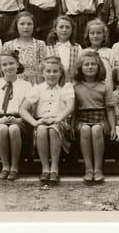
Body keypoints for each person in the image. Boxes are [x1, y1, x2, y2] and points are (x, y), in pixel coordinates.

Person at [19, 56, 75, 184]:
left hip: (60, 121)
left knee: (53, 129)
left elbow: (70, 107)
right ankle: (45, 168)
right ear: (42, 73)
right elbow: (22, 109)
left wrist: (57, 119)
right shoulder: (38, 88)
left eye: (55, 71)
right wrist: (34, 122)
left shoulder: (66, 87)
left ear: (61, 73)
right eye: (48, 71)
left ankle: (54, 168)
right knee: (42, 129)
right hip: (41, 121)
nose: (52, 74)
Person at [0, 50, 32, 181]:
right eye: (4, 64)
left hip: (19, 119)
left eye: (11, 63)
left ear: (17, 64)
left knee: (14, 128)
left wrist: (18, 119)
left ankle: (15, 167)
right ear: (0, 67)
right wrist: (0, 121)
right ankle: (5, 166)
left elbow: (29, 111)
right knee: (2, 128)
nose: (8, 67)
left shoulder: (26, 85)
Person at [73, 51, 116, 183]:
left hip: (100, 117)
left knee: (96, 129)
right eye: (86, 64)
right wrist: (71, 126)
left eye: (93, 64)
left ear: (99, 67)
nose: (90, 67)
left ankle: (98, 169)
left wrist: (113, 127)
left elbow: (109, 109)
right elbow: (73, 110)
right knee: (85, 129)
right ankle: (88, 169)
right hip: (82, 118)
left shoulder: (105, 85)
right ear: (80, 68)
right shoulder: (75, 86)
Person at [2, 11, 47, 85]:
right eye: (22, 24)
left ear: (34, 26)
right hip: (15, 82)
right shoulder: (8, 45)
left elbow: (44, 67)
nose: (26, 27)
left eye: (29, 24)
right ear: (16, 26)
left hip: (35, 83)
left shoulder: (40, 44)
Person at [46, 15, 82, 82]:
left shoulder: (77, 48)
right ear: (55, 29)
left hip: (72, 84)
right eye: (61, 27)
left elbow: (80, 68)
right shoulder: (48, 48)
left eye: (67, 27)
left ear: (72, 30)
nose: (64, 30)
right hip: (55, 85)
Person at [82, 18, 113, 89]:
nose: (95, 36)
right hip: (89, 89)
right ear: (88, 35)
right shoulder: (83, 52)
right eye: (92, 33)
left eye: (99, 33)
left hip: (107, 88)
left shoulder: (109, 52)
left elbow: (114, 72)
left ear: (104, 35)